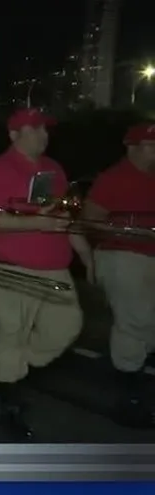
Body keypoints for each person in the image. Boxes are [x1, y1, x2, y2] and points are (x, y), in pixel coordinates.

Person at [0, 109, 92, 440]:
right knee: (10, 333)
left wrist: (83, 249)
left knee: (68, 325)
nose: (43, 134)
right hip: (13, 268)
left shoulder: (54, 169)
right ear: (13, 134)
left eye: (45, 129)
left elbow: (65, 214)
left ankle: (11, 369)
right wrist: (36, 222)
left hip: (55, 266)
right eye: (35, 129)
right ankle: (10, 401)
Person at [82, 123, 155, 428]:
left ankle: (130, 374)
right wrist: (127, 230)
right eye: (152, 144)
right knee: (134, 321)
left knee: (145, 323)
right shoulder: (113, 179)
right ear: (133, 147)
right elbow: (90, 219)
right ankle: (130, 396)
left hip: (148, 255)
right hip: (121, 255)